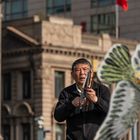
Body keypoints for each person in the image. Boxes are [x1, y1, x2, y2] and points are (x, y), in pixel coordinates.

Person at [54, 58, 110, 140]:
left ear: (91, 73)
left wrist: (96, 100)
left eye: (85, 69)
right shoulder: (66, 92)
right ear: (72, 74)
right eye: (77, 70)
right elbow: (58, 116)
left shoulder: (102, 90)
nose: (82, 73)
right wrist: (71, 104)